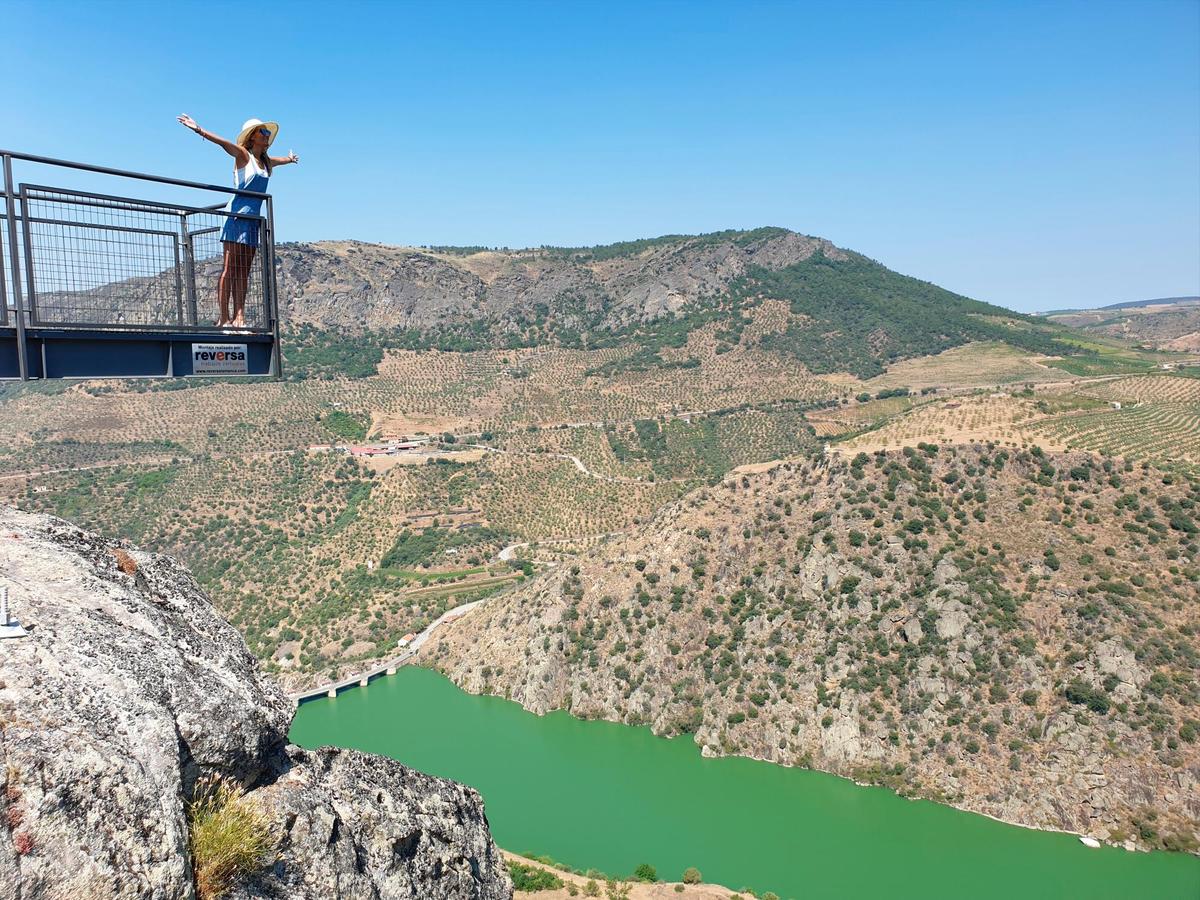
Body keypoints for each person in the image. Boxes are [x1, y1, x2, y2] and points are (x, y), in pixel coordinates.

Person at [177, 115, 298, 327]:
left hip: (252, 220)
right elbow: (224, 144)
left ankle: (239, 317)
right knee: (229, 268)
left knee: (244, 269)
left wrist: (289, 159)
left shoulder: (266, 162)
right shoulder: (244, 156)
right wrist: (199, 130)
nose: (267, 135)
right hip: (236, 216)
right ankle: (223, 318)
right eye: (263, 132)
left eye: (268, 132)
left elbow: (279, 161)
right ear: (252, 137)